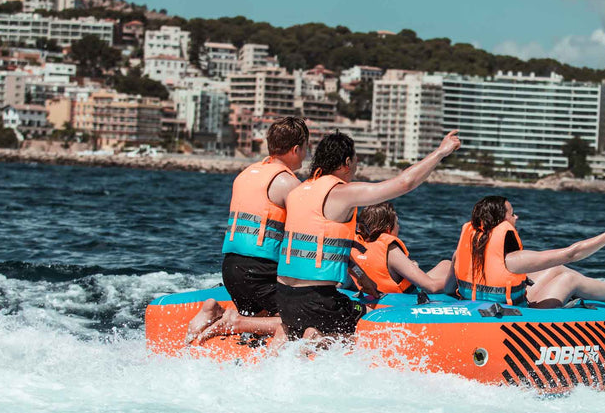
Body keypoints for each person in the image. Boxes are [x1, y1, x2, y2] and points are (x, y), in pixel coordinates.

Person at [194, 129, 461, 343]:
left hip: (285, 299)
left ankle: (299, 335)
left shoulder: (298, 192)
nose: (356, 166)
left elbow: (319, 244)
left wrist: (360, 276)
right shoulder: (341, 193)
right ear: (346, 163)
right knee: (374, 320)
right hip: (318, 302)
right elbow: (404, 183)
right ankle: (320, 338)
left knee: (300, 321)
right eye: (355, 161)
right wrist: (440, 152)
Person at [186, 116, 307, 342]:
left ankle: (217, 313)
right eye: (305, 148)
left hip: (231, 268)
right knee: (299, 317)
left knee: (261, 317)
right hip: (260, 272)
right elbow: (306, 232)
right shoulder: (287, 183)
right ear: (296, 149)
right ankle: (235, 321)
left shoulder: (246, 174)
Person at [452, 195, 605, 307]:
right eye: (512, 214)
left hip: (481, 307)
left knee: (558, 269)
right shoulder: (513, 259)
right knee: (569, 279)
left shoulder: (463, 251)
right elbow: (572, 253)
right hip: (520, 318)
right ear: (501, 223)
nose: (517, 217)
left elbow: (440, 288)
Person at [349, 202, 455, 297]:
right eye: (397, 223)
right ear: (388, 229)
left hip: (371, 299)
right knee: (451, 269)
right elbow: (432, 287)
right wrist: (457, 284)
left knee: (445, 264)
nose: (398, 227)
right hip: (399, 301)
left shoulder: (354, 246)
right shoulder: (390, 250)